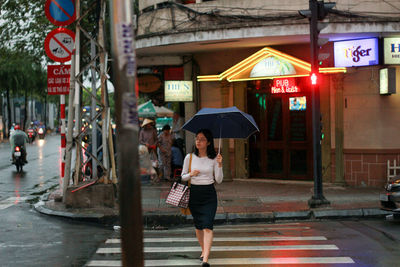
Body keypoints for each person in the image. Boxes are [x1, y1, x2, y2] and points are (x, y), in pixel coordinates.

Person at [181, 129, 223, 267]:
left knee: (207, 226)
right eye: (197, 138)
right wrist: (191, 174)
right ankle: (204, 250)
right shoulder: (189, 157)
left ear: (208, 142)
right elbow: (182, 177)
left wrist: (220, 165)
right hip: (195, 194)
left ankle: (205, 260)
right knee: (199, 226)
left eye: (202, 139)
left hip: (209, 194)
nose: (198, 141)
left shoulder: (214, 158)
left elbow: (219, 179)